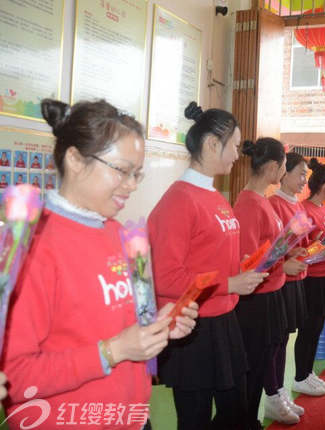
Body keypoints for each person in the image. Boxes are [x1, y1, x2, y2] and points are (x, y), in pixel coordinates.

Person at [2, 99, 199, 429]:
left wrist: (159, 326)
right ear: (75, 160)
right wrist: (111, 352)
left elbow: (122, 325)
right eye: (122, 170)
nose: (132, 185)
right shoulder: (30, 247)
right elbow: (14, 376)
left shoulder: (120, 233)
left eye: (137, 174)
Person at [148, 102, 267, 430]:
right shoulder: (178, 200)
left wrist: (240, 268)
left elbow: (211, 255)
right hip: (193, 329)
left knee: (236, 413)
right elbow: (165, 277)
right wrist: (230, 284)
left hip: (224, 321)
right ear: (213, 144)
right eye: (235, 146)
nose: (238, 155)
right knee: (195, 420)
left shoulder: (214, 196)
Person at [234, 138, 308, 427]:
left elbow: (266, 250)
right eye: (285, 167)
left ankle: (254, 415)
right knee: (253, 369)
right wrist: (283, 263)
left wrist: (286, 253)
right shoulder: (249, 204)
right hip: (258, 300)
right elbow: (248, 263)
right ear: (274, 167)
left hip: (272, 293)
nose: (285, 171)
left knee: (264, 361)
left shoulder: (260, 200)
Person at [292, 159, 325, 396]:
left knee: (317, 327)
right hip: (311, 278)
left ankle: (308, 372)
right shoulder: (304, 210)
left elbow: (324, 244)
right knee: (308, 328)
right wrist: (324, 248)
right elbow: (302, 251)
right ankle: (300, 376)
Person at [268, 152, 310, 418]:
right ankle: (272, 394)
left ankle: (280, 389)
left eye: (306, 175)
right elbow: (268, 248)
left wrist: (298, 251)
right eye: (301, 174)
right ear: (284, 173)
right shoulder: (274, 203)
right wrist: (285, 258)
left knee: (284, 339)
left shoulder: (298, 204)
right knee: (275, 340)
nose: (304, 180)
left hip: (295, 279)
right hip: (278, 280)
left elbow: (294, 243)